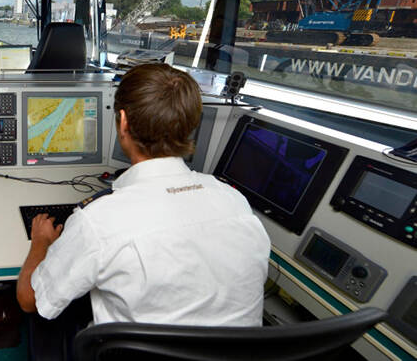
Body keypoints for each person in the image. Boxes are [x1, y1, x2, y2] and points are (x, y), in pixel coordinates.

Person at [16, 63, 271, 357]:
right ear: (190, 126)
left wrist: (41, 243)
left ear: (122, 122)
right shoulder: (235, 202)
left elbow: (29, 299)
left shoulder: (99, 220)